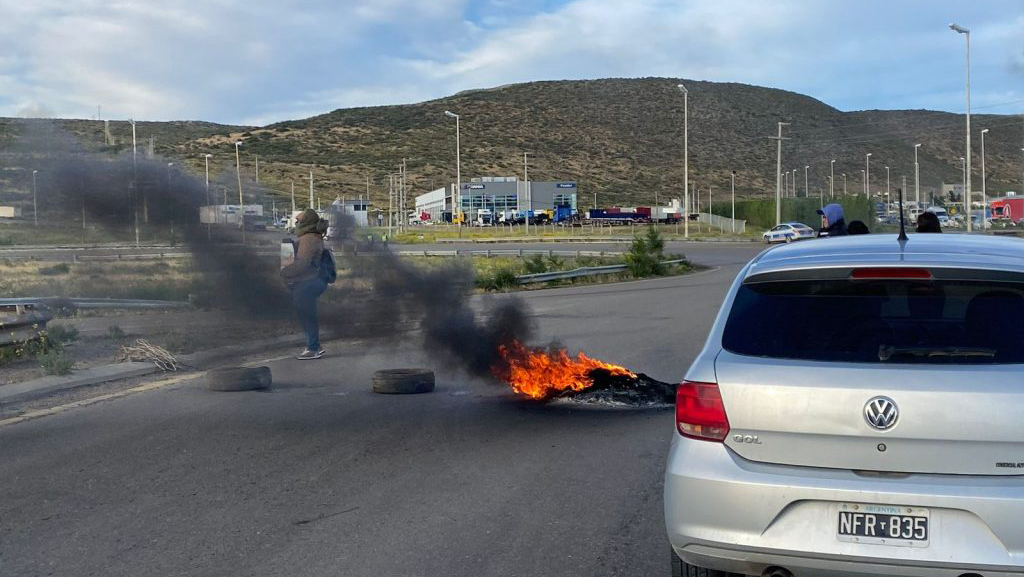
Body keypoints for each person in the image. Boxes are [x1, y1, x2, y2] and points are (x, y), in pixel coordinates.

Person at [281, 208, 329, 359]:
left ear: (306, 222)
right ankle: (315, 345)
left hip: (308, 282)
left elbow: (303, 263)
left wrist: (285, 272)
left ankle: (312, 347)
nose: (295, 223)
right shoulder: (312, 237)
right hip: (310, 281)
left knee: (307, 315)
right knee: (308, 314)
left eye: (299, 221)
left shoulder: (309, 239)